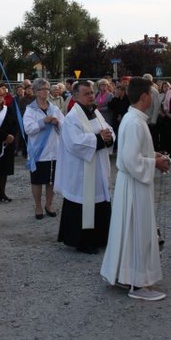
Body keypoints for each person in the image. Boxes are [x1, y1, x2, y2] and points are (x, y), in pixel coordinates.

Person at [100, 77, 171, 301]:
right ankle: (138, 284)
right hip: (134, 185)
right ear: (144, 97)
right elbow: (131, 160)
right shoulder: (134, 122)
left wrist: (153, 156)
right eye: (153, 94)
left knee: (129, 230)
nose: (155, 98)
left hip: (132, 183)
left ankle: (124, 274)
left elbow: (135, 153)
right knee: (137, 231)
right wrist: (155, 163)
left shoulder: (135, 119)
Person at [54, 80, 115, 254]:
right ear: (75, 96)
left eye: (91, 93)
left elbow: (107, 128)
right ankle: (82, 241)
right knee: (83, 204)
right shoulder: (72, 118)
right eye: (86, 93)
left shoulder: (94, 111)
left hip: (98, 168)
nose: (90, 96)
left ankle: (100, 238)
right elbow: (75, 143)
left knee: (100, 202)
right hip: (82, 170)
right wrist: (99, 138)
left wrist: (109, 135)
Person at [23, 78, 64, 219]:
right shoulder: (30, 109)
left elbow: (64, 126)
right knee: (37, 181)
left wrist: (57, 122)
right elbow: (28, 129)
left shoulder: (54, 108)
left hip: (54, 150)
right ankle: (38, 206)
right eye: (42, 89)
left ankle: (49, 204)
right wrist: (43, 122)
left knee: (51, 181)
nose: (45, 92)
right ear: (35, 92)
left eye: (47, 89)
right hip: (38, 152)